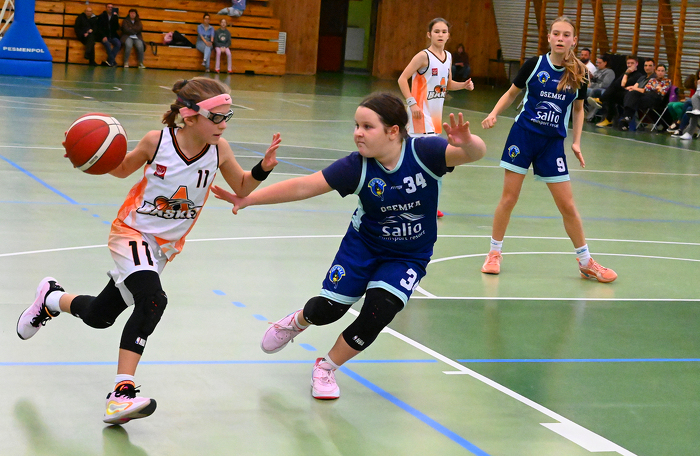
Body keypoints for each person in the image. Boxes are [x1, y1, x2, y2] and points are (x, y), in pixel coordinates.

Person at [16, 77, 282, 424]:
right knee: (153, 300)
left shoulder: (220, 150)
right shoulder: (157, 142)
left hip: (162, 250)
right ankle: (121, 394)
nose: (224, 124)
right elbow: (121, 168)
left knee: (100, 316)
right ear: (190, 117)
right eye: (217, 117)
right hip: (132, 232)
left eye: (227, 116)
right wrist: (89, 154)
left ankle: (51, 298)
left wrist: (263, 168)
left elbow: (243, 186)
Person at [211, 92, 486, 399]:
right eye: (356, 125)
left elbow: (475, 153)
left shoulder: (425, 152)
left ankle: (326, 368)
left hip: (409, 255)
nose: (358, 133)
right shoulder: (356, 167)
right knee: (328, 311)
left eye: (367, 126)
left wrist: (468, 141)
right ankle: (297, 321)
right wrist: (248, 199)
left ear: (393, 131)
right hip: (363, 247)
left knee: (378, 313)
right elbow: (304, 186)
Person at [480, 16, 617, 283]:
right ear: (549, 38)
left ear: (573, 40)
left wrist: (576, 141)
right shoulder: (534, 65)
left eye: (566, 35)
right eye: (556, 33)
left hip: (552, 144)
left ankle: (586, 262)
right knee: (509, 198)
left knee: (568, 205)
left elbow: (579, 109)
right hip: (523, 137)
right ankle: (494, 253)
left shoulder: (579, 72)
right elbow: (512, 93)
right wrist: (494, 113)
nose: (560, 38)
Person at [398, 17, 474, 217]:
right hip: (419, 115)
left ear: (449, 35)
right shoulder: (423, 56)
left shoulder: (448, 57)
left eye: (444, 31)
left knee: (429, 160)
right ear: (429, 34)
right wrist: (412, 103)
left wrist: (464, 85)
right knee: (427, 159)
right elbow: (402, 79)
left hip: (435, 117)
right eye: (436, 31)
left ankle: (427, 203)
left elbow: (446, 84)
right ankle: (418, 203)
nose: (440, 35)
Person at [619, 62, 671, 131]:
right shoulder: (652, 80)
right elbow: (646, 89)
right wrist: (657, 88)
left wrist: (653, 88)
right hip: (646, 96)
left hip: (656, 100)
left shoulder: (667, 81)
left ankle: (627, 118)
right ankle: (627, 117)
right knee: (632, 93)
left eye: (662, 71)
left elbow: (662, 92)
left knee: (634, 99)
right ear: (656, 71)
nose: (660, 72)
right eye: (659, 70)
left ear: (665, 72)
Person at [595, 55, 644, 128]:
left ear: (636, 63)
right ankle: (608, 119)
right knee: (610, 95)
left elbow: (623, 85)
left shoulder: (638, 75)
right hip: (622, 93)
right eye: (628, 63)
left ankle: (601, 100)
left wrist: (626, 74)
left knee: (611, 93)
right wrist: (626, 74)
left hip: (629, 97)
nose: (630, 65)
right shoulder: (626, 73)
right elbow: (617, 83)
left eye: (632, 63)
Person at [584, 54, 615, 120]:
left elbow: (605, 84)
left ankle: (591, 114)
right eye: (597, 62)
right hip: (591, 87)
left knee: (591, 91)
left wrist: (592, 84)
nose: (597, 64)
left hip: (601, 90)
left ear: (605, 63)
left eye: (600, 63)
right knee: (579, 89)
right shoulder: (597, 71)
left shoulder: (609, 72)